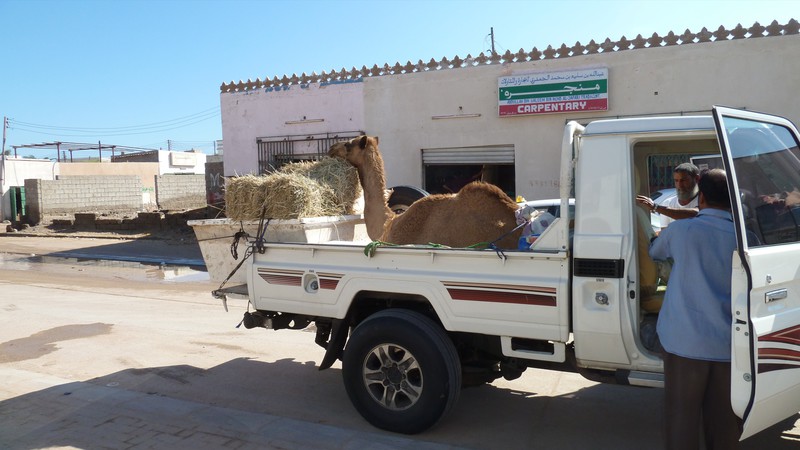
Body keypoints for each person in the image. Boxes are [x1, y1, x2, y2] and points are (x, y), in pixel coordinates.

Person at [649, 169, 741, 450]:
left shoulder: (681, 230)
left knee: (681, 420)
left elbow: (655, 252)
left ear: (701, 197)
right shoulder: (744, 236)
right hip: (730, 346)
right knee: (725, 422)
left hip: (685, 343)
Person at [636, 162, 701, 227]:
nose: (680, 185)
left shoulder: (704, 201)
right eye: (676, 181)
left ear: (697, 179)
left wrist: (655, 207)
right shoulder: (667, 203)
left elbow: (696, 214)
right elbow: (665, 232)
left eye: (683, 180)